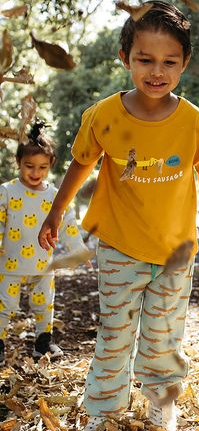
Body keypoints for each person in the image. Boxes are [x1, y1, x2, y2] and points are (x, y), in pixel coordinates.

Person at [38, 0, 199, 431]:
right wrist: (55, 214)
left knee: (164, 336)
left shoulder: (193, 121)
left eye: (169, 62)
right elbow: (80, 164)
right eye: (145, 60)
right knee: (115, 335)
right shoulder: (103, 115)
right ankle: (103, 412)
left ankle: (161, 403)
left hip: (176, 253)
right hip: (120, 247)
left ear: (184, 65)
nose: (156, 72)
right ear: (126, 58)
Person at [0, 121, 86, 366]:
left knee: (44, 303)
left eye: (42, 167)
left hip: (42, 264)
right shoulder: (7, 191)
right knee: (3, 305)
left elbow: (67, 222)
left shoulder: (54, 196)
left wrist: (78, 251)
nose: (35, 173)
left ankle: (43, 342)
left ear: (51, 166)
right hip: (9, 263)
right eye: (29, 166)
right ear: (18, 163)